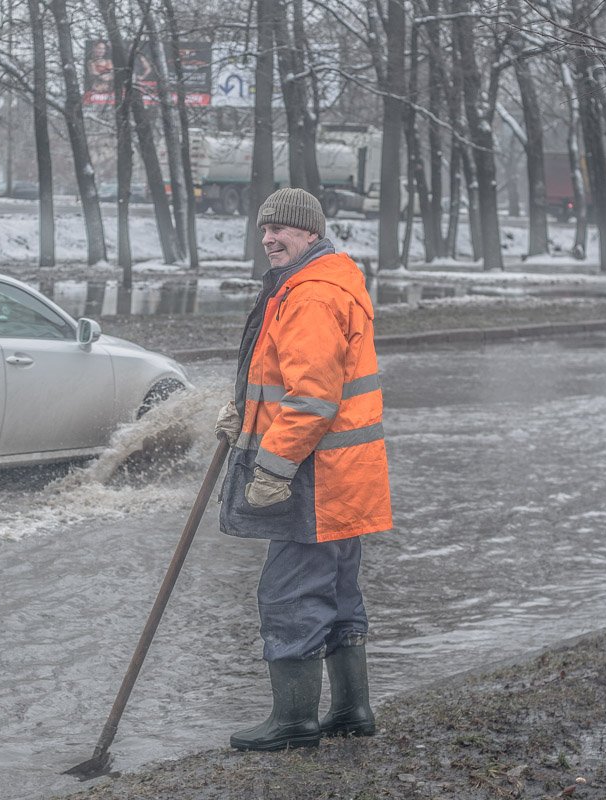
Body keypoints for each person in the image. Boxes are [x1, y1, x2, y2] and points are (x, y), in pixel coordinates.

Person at [213, 187, 393, 752]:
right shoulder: (326, 283)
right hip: (343, 476)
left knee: (289, 593)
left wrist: (272, 467)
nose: (269, 237)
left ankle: (292, 721)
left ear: (311, 233)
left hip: (311, 476)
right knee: (338, 590)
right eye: (264, 228)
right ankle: (350, 710)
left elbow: (312, 397)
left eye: (282, 229)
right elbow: (290, 385)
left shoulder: (311, 296)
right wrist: (243, 415)